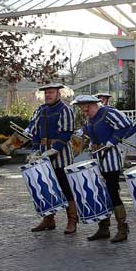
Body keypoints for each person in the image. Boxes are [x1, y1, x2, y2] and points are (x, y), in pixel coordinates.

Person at [74, 94, 135, 242]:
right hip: (96, 158)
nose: (84, 112)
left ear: (93, 105)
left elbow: (127, 125)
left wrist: (112, 140)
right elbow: (92, 131)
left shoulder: (109, 113)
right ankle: (103, 227)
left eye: (85, 108)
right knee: (99, 192)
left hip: (110, 158)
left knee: (113, 192)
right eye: (82, 109)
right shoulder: (91, 117)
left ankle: (122, 227)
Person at [27, 82, 78, 234]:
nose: (48, 95)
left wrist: (54, 149)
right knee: (46, 187)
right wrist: (35, 150)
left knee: (66, 188)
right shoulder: (40, 110)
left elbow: (66, 132)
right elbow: (35, 132)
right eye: (46, 93)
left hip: (62, 156)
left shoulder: (65, 109)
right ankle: (49, 219)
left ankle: (72, 220)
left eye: (51, 92)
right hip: (43, 156)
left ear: (59, 94)